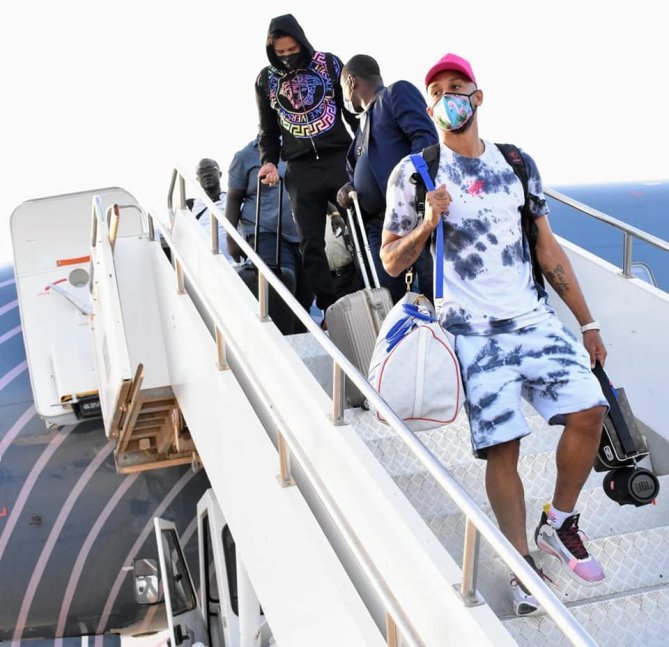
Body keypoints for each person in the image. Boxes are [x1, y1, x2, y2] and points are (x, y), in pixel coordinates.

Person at [380, 53, 609, 616]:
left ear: (477, 96)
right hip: (472, 333)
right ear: (430, 107)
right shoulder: (416, 171)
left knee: (590, 410)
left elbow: (546, 248)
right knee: (503, 449)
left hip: (533, 319)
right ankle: (522, 569)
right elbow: (390, 259)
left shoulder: (515, 162)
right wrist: (428, 224)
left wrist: (586, 320)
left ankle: (559, 522)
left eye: (457, 87)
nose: (448, 98)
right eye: (438, 91)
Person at [255, 14, 358, 322]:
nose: (287, 57)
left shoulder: (330, 64)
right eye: (280, 53)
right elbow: (267, 130)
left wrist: (367, 144)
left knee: (360, 227)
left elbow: (351, 111)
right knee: (310, 243)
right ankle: (329, 308)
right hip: (300, 167)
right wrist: (268, 161)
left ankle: (372, 286)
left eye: (292, 50)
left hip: (337, 157)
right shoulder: (265, 80)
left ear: (301, 42)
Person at [336, 54, 438, 303]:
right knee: (390, 302)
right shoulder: (360, 129)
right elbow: (364, 169)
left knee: (427, 296)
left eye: (342, 89)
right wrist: (349, 186)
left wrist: (410, 187)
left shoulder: (394, 94)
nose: (344, 97)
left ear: (351, 82)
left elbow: (425, 139)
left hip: (409, 216)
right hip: (376, 229)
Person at [224, 137, 303, 334]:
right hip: (264, 232)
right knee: (281, 281)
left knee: (304, 295)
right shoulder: (244, 157)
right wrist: (231, 240)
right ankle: (280, 339)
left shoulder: (296, 147)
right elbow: (233, 199)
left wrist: (333, 213)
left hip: (299, 234)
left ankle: (299, 338)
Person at [188, 158, 232, 260]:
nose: (206, 174)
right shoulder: (190, 205)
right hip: (203, 261)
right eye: (201, 171)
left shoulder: (233, 201)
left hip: (232, 263)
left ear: (220, 174)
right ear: (197, 179)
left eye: (210, 169)